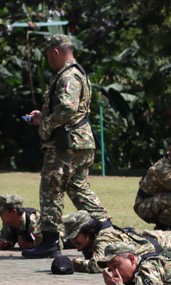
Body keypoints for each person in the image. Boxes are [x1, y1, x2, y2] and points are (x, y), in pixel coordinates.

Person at [22, 34, 110, 259]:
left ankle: (50, 241)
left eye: (48, 55)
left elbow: (68, 109)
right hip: (78, 142)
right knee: (78, 188)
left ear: (55, 52)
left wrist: (46, 124)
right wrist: (43, 116)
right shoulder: (76, 73)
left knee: (51, 189)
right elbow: (71, 110)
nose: (48, 60)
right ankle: (106, 230)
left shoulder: (68, 76)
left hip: (67, 145)